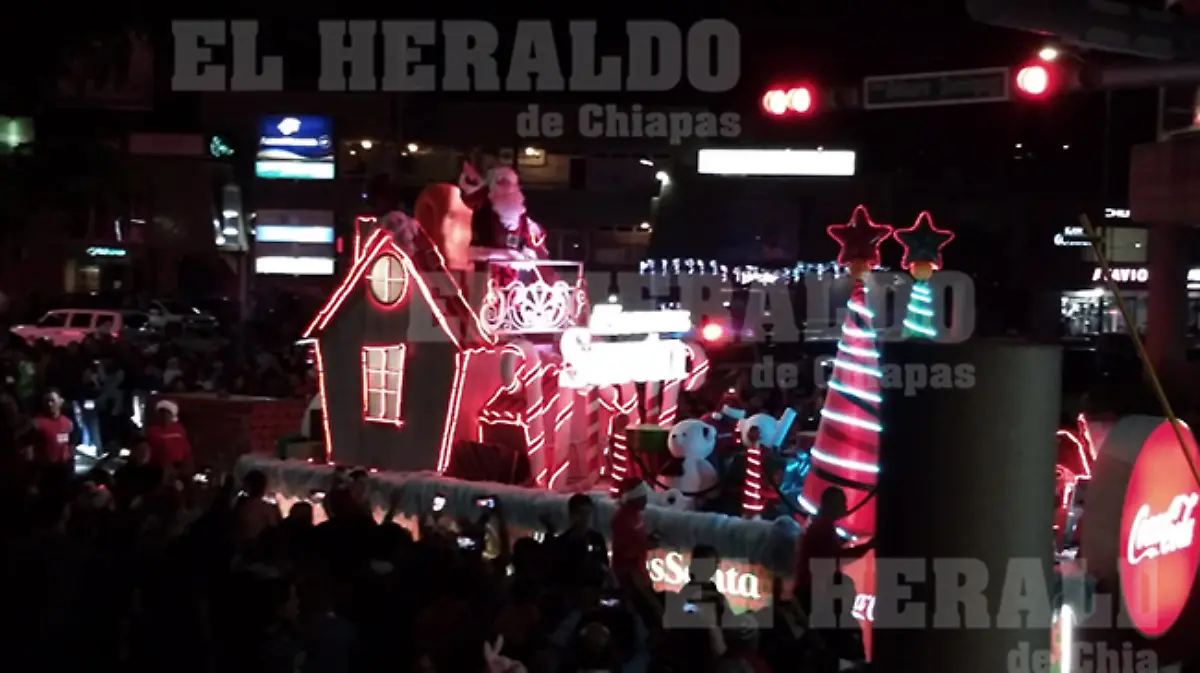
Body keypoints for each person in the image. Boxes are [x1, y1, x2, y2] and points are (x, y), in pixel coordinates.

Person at [794, 487, 873, 606]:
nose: (846, 507)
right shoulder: (822, 528)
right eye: (842, 503)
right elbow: (839, 557)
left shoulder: (820, 524)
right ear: (833, 505)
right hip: (811, 591)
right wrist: (868, 546)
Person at [545, 493, 609, 589]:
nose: (585, 518)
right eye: (581, 514)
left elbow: (604, 564)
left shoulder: (597, 538)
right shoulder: (562, 543)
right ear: (572, 515)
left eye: (588, 513)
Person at [113, 438, 164, 509]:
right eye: (140, 450)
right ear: (133, 452)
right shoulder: (122, 473)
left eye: (147, 450)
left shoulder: (156, 472)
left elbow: (158, 493)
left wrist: (143, 498)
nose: (144, 453)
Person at [32, 389, 74, 472]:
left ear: (61, 401)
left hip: (64, 468)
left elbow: (70, 445)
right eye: (46, 401)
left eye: (52, 401)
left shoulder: (68, 423)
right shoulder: (36, 423)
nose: (49, 404)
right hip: (45, 470)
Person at [146, 400, 192, 470]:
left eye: (167, 414)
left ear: (172, 416)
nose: (164, 416)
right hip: (158, 466)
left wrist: (188, 462)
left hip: (178, 466)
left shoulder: (179, 429)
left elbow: (185, 447)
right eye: (162, 414)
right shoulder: (151, 431)